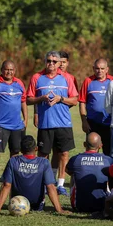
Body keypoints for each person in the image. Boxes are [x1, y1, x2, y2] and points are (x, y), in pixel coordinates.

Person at [27, 51, 78, 196]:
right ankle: (44, 183)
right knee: (43, 155)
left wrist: (61, 98)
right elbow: (28, 99)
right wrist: (41, 98)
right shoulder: (37, 77)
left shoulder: (67, 78)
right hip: (45, 123)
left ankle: (60, 184)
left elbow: (74, 100)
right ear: (45, 61)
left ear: (59, 63)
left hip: (63, 123)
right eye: (48, 61)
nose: (51, 63)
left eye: (54, 61)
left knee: (64, 153)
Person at [0, 135, 66, 213]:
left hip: (16, 203)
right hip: (37, 206)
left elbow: (6, 185)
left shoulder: (13, 161)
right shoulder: (44, 162)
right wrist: (59, 210)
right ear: (36, 148)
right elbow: (50, 187)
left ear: (21, 150)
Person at [0, 60, 27, 187]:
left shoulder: (19, 83)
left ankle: (11, 177)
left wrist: (26, 119)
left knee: (15, 151)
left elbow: (23, 102)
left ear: (15, 70)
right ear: (2, 70)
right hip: (0, 125)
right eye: (7, 69)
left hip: (17, 126)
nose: (9, 72)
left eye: (11, 70)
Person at [66, 132, 113, 212]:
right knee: (110, 175)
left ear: (84, 144)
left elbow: (67, 171)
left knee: (74, 173)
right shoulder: (108, 160)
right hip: (102, 205)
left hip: (79, 206)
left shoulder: (75, 159)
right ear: (100, 146)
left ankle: (76, 198)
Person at [79, 58, 113, 155]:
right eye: (97, 68)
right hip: (92, 123)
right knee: (91, 152)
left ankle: (107, 170)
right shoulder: (88, 81)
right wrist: (84, 121)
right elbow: (82, 102)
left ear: (107, 69)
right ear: (93, 68)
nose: (100, 71)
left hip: (109, 123)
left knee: (109, 153)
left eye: (102, 69)